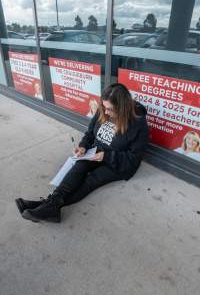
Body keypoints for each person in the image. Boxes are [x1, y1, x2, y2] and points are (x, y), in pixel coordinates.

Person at [15, 83, 149, 223]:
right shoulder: (103, 110)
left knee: (91, 180)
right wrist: (83, 146)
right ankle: (50, 205)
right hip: (97, 152)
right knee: (79, 166)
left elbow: (134, 160)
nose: (106, 112)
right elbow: (90, 133)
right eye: (104, 107)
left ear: (122, 108)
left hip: (118, 164)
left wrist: (107, 156)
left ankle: (45, 206)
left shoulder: (138, 123)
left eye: (110, 109)